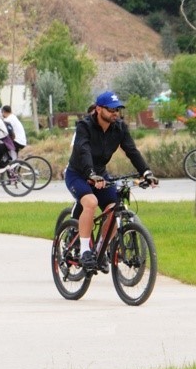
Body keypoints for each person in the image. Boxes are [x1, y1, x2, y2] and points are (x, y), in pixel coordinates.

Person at [65, 91, 157, 271]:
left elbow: (132, 151)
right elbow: (83, 150)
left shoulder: (119, 128)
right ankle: (84, 251)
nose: (116, 113)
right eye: (111, 109)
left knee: (113, 208)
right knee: (90, 202)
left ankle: (100, 249)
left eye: (118, 109)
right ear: (99, 109)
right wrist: (91, 174)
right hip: (78, 174)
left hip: (100, 174)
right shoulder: (84, 126)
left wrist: (146, 172)